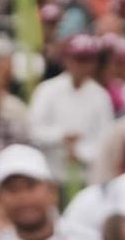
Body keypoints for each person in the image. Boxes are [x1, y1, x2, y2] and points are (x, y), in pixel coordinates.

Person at [26, 35, 116, 186]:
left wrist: (80, 153)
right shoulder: (47, 89)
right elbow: (32, 130)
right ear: (66, 59)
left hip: (86, 177)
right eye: (77, 59)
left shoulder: (100, 96)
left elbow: (105, 140)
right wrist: (62, 136)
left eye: (86, 60)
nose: (81, 65)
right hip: (50, 175)